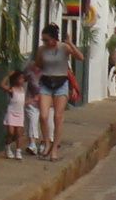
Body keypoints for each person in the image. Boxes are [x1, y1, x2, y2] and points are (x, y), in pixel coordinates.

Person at [33, 24, 84, 162]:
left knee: (58, 116)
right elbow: (38, 64)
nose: (45, 42)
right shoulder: (41, 50)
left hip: (61, 83)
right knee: (43, 116)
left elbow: (80, 57)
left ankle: (54, 148)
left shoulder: (64, 48)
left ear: (54, 38)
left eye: (47, 40)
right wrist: (36, 68)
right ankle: (47, 143)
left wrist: (70, 43)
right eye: (43, 40)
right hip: (46, 83)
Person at [0, 69, 28, 159]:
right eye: (20, 78)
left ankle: (18, 151)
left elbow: (23, 102)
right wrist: (7, 75)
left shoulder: (22, 90)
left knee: (18, 134)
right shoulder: (12, 89)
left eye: (23, 79)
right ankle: (8, 148)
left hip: (20, 113)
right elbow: (2, 85)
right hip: (11, 112)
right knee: (11, 132)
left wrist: (34, 100)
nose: (22, 80)